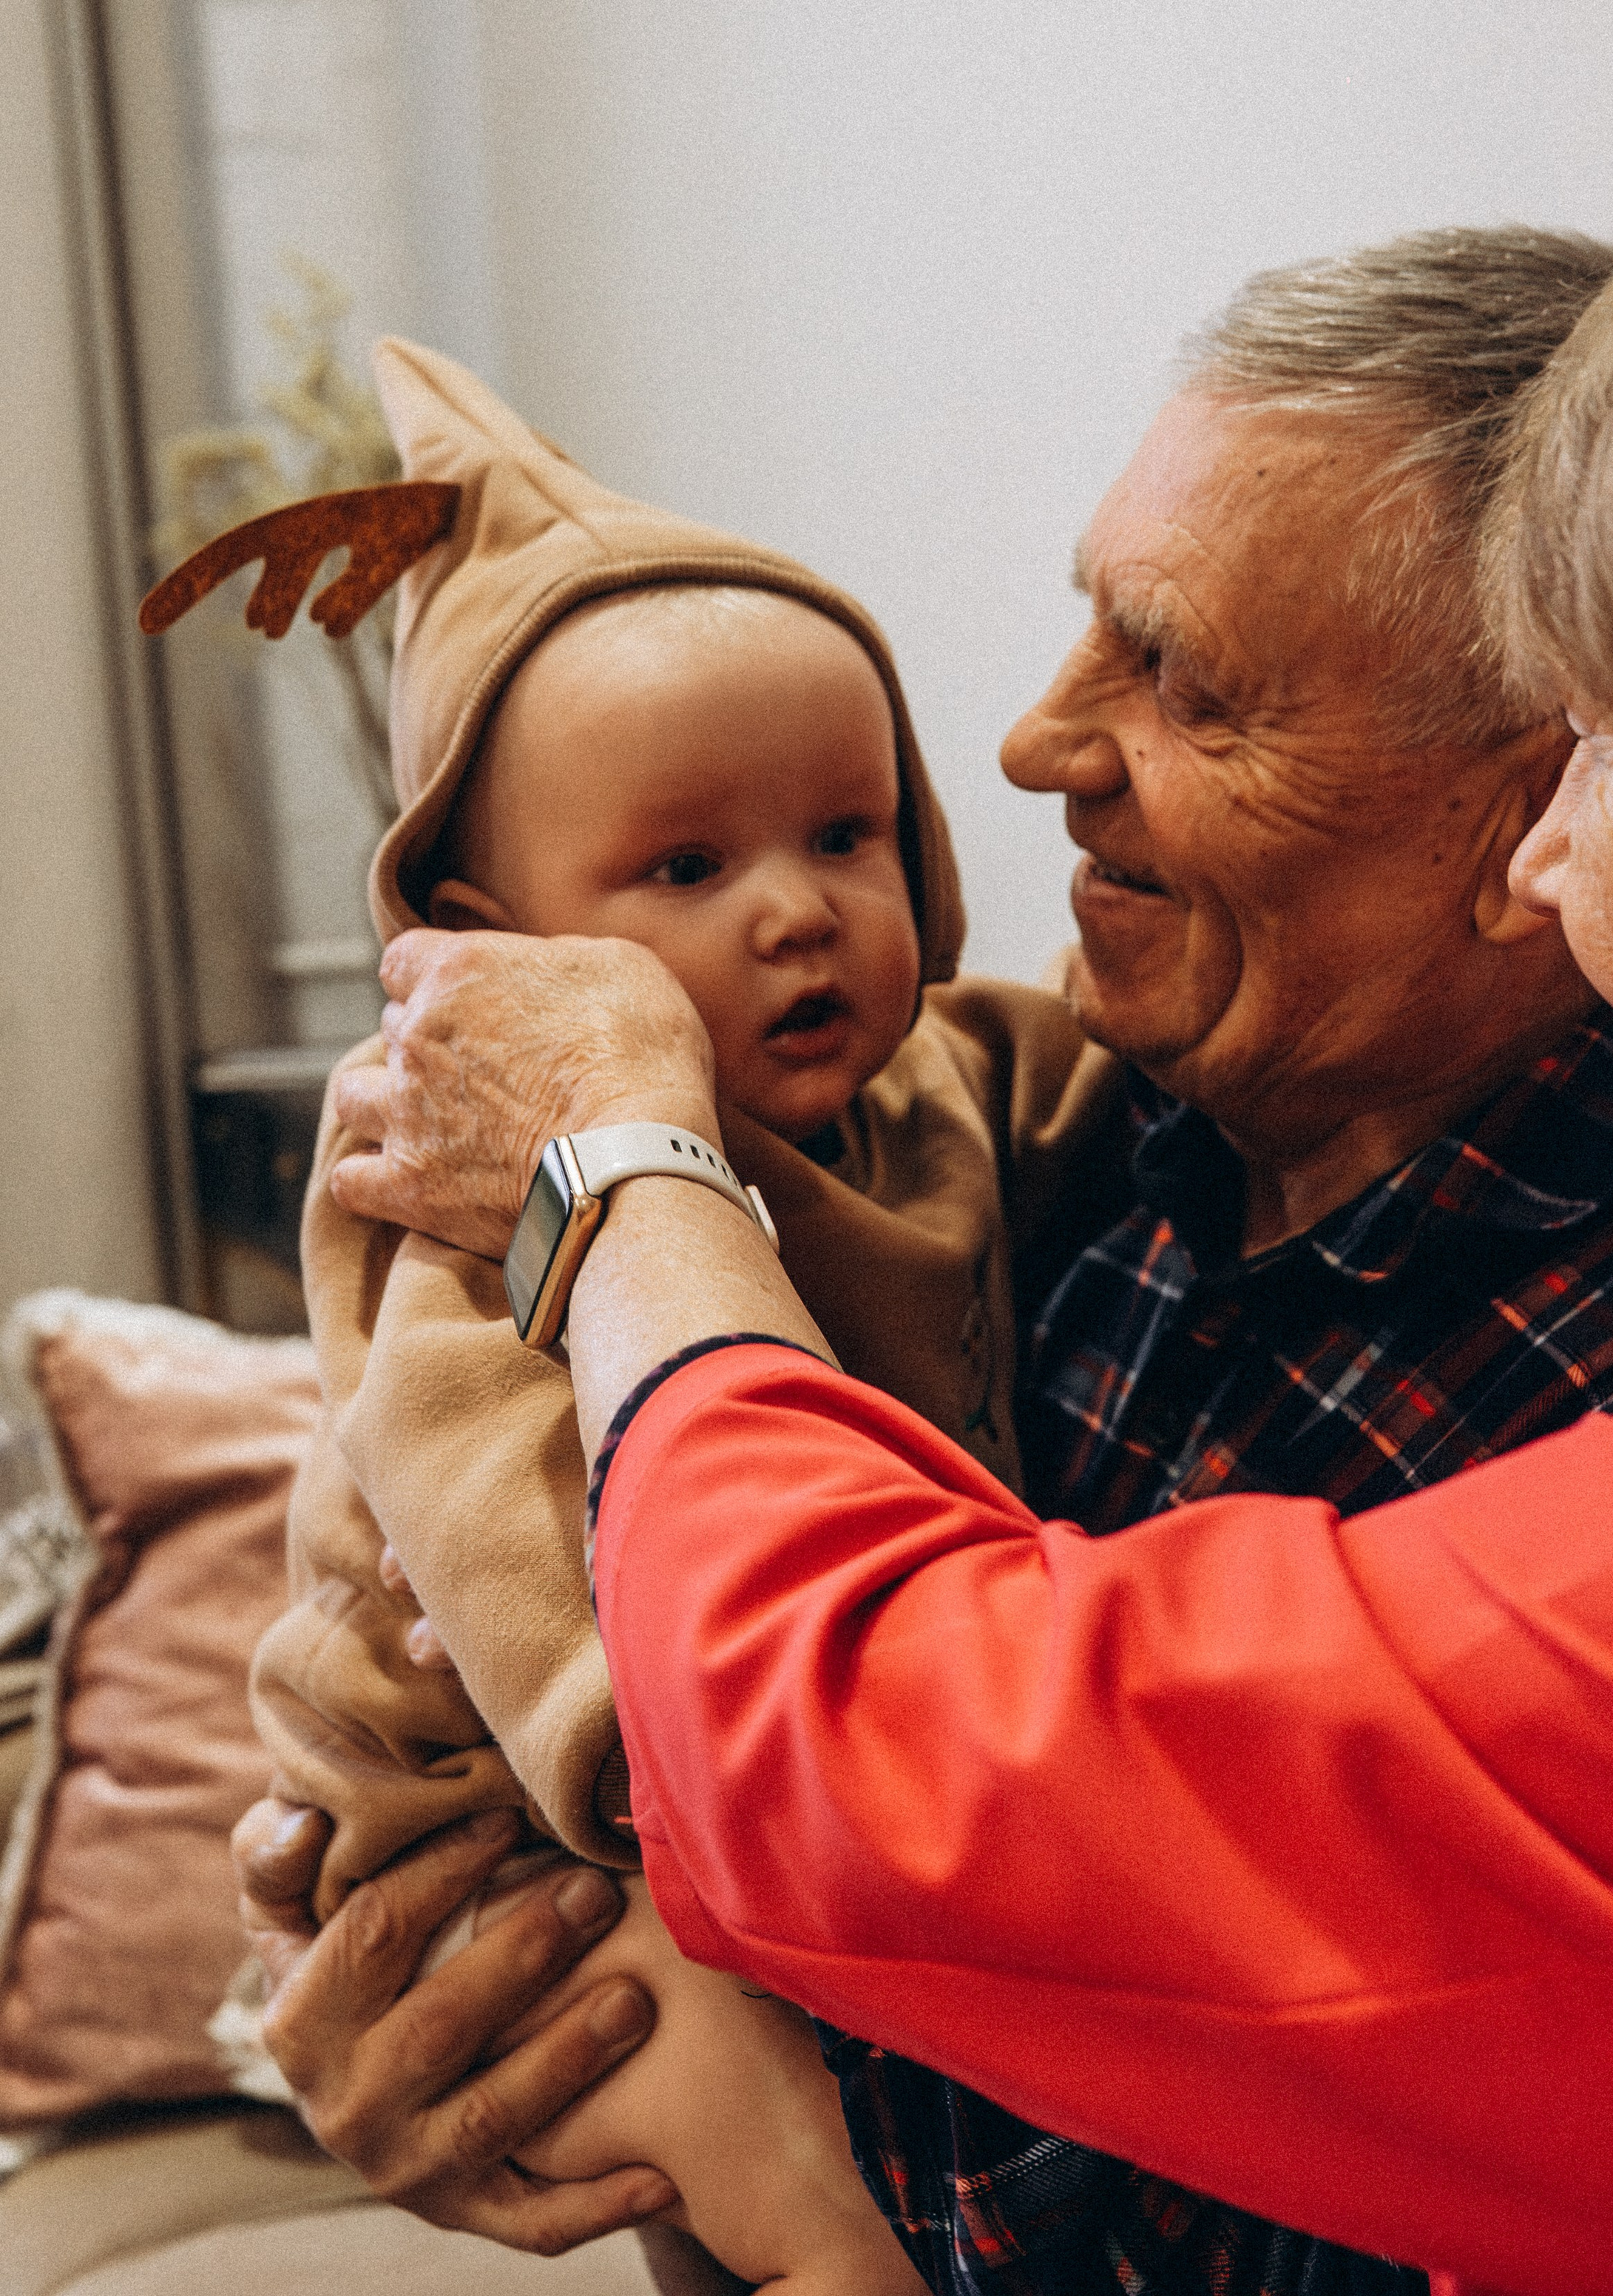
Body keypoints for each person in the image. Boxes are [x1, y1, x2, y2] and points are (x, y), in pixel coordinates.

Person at [245, 229, 1613, 2294]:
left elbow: (1247, 2220)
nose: (1033, 745)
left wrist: (769, 2063)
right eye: (1084, 632)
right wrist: (439, 1989)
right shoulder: (1076, 1131)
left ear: (1532, 818)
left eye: (1181, 679)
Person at [243, 338, 1124, 2292]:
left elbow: (1131, 1076)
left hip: (790, 1788)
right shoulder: (459, 1222)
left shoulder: (946, 1090)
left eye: (846, 832)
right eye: (689, 865)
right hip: (531, 1812)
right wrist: (657, 1762)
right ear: (493, 947)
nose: (796, 911)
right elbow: (499, 1515)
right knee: (799, 2184)